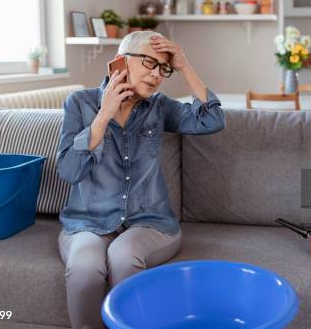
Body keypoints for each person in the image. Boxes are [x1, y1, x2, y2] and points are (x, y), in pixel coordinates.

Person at [55, 30, 225, 329]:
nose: (157, 74)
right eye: (149, 62)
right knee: (84, 267)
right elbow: (69, 171)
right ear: (119, 63)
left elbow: (211, 120)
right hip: (88, 221)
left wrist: (184, 66)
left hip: (150, 222)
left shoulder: (159, 107)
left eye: (164, 68)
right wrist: (103, 116)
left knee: (123, 257)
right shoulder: (79, 104)